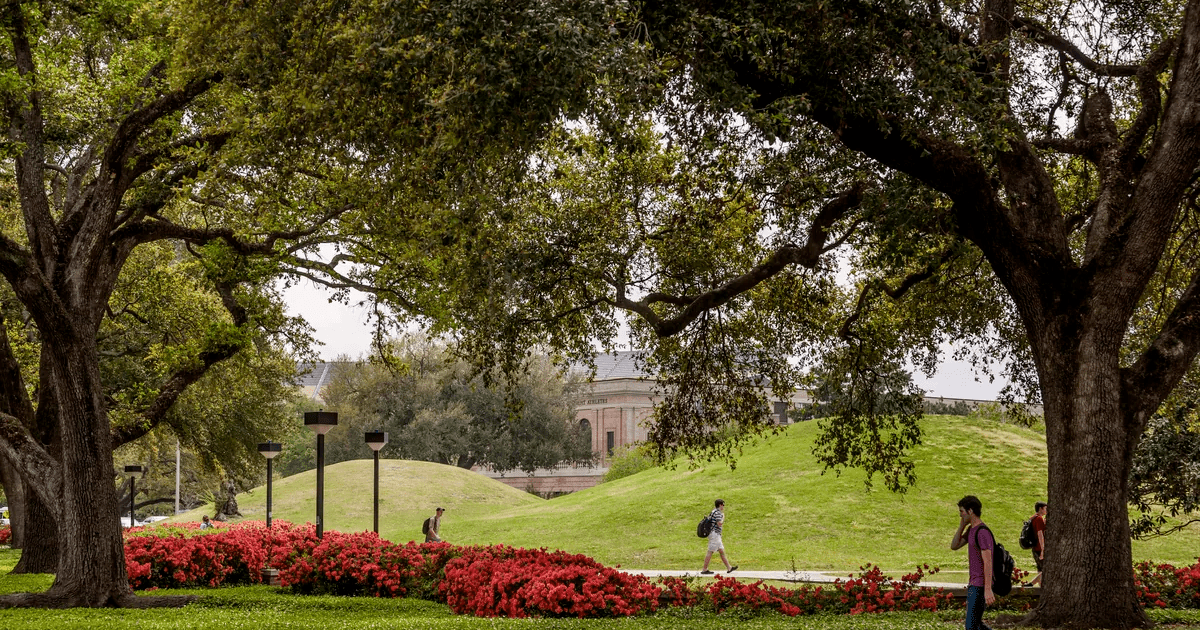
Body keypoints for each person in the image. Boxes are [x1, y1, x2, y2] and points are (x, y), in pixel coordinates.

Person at [950, 495, 994, 630]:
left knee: (971, 626)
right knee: (975, 625)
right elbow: (954, 545)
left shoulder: (982, 532)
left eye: (962, 512)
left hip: (980, 586)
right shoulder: (972, 530)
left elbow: (988, 562)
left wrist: (987, 589)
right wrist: (962, 525)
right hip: (974, 584)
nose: (960, 515)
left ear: (970, 511)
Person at [699, 499, 737, 575]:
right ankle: (704, 569)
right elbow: (720, 523)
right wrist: (723, 517)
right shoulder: (718, 513)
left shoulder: (713, 511)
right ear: (720, 505)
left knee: (721, 551)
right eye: (723, 505)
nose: (723, 506)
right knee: (710, 551)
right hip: (715, 535)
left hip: (715, 535)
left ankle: (729, 568)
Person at [1029, 501, 1047, 586]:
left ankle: (1040, 588)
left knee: (1040, 569)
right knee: (1045, 570)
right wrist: (1043, 550)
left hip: (1034, 547)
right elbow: (1040, 534)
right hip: (1039, 547)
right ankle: (1031, 584)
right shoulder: (1039, 519)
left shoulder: (1032, 518)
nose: (1046, 510)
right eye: (1045, 508)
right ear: (1040, 509)